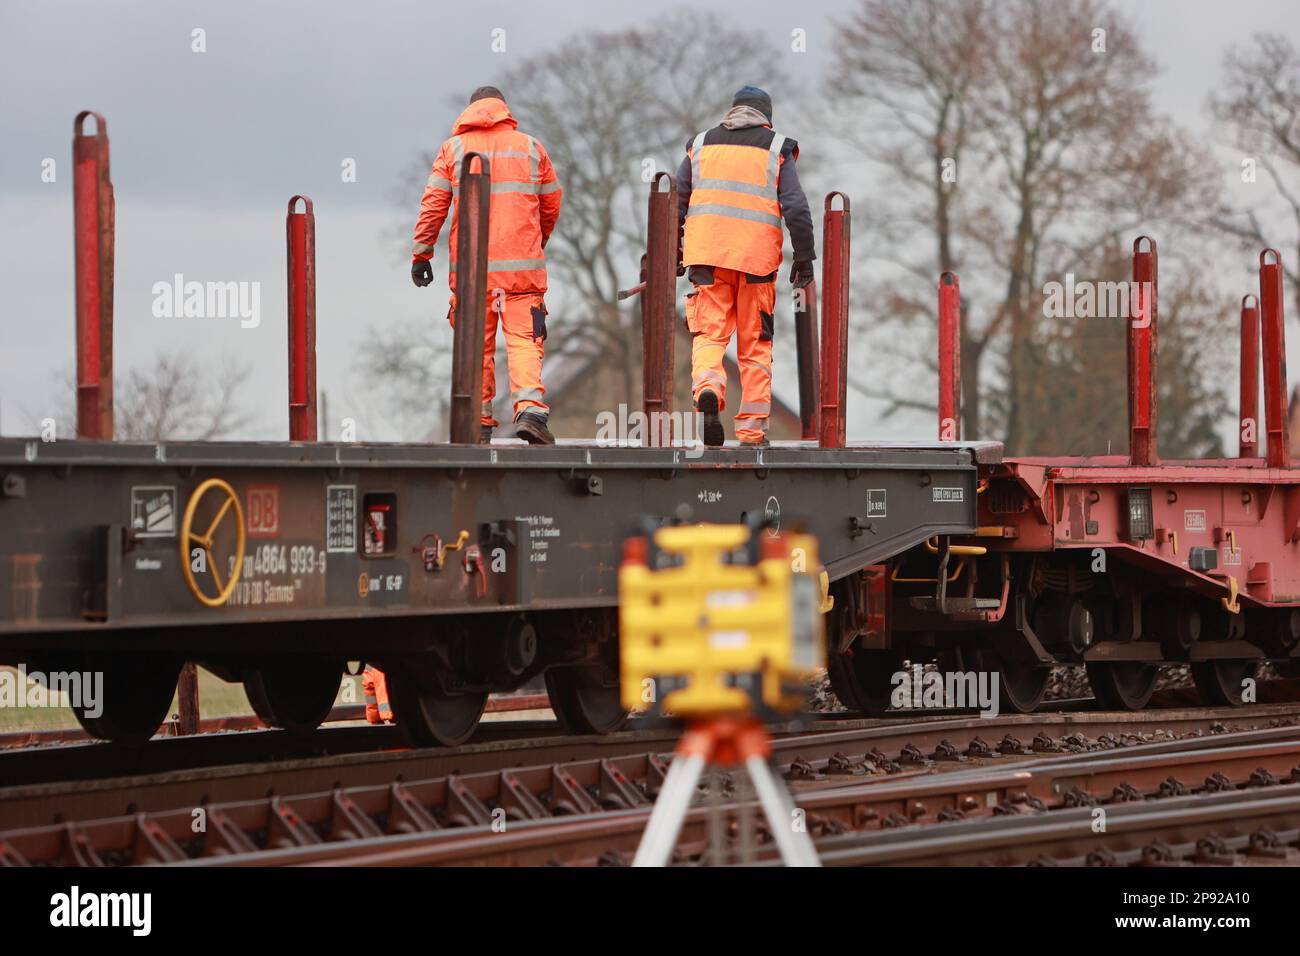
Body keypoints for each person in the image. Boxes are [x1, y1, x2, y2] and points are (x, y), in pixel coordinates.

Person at [411, 86, 562, 444]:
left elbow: (433, 206)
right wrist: (536, 241)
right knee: (525, 340)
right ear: (503, 110)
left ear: (471, 112)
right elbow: (551, 204)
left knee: (476, 344)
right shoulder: (530, 147)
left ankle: (478, 422)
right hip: (522, 271)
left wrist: (422, 253)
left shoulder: (454, 150)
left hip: (472, 273)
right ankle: (530, 412)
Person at [675, 86, 816, 447]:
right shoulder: (776, 147)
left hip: (707, 259)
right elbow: (797, 209)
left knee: (709, 334)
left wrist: (671, 249)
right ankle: (752, 431)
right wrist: (804, 257)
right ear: (767, 117)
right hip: (756, 263)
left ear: (733, 111)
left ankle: (708, 388)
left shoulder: (701, 144)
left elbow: (676, 200)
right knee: (754, 345)